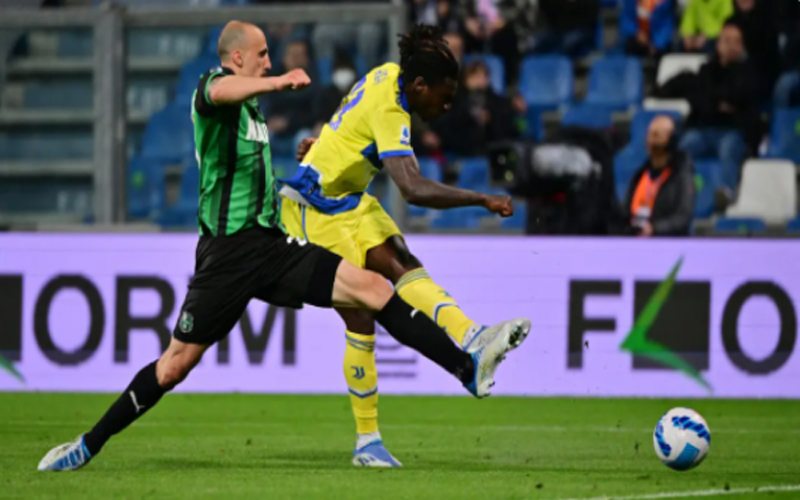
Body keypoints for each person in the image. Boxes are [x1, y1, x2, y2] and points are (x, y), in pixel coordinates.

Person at [36, 21, 530, 473]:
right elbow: (221, 90)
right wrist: (278, 83)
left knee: (373, 290)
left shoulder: (251, 111)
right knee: (174, 366)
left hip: (273, 245)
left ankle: (466, 368)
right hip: (228, 256)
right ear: (236, 58)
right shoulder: (212, 91)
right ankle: (88, 444)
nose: (269, 62)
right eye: (262, 55)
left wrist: (319, 146)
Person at [280, 24, 530, 468]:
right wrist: (481, 199)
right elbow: (412, 189)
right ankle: (367, 442)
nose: (447, 106)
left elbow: (347, 123)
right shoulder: (392, 107)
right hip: (313, 210)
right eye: (443, 97)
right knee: (360, 314)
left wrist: (321, 147)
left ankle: (472, 338)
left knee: (402, 261)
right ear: (418, 85)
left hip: (349, 199)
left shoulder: (386, 75)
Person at [676, 22, 758, 193]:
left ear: (742, 46)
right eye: (727, 41)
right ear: (718, 44)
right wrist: (720, 103)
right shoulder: (706, 69)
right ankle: (678, 193)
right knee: (686, 145)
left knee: (728, 149)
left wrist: (716, 100)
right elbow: (697, 99)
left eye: (736, 41)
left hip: (733, 131)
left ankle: (726, 194)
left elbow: (742, 96)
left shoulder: (749, 71)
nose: (731, 46)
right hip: (703, 129)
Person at [623, 116, 695, 237]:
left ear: (671, 140)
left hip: (668, 241)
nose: (652, 139)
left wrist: (655, 228)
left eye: (657, 134)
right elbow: (626, 211)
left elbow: (683, 216)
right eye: (650, 133)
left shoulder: (682, 174)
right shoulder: (640, 175)